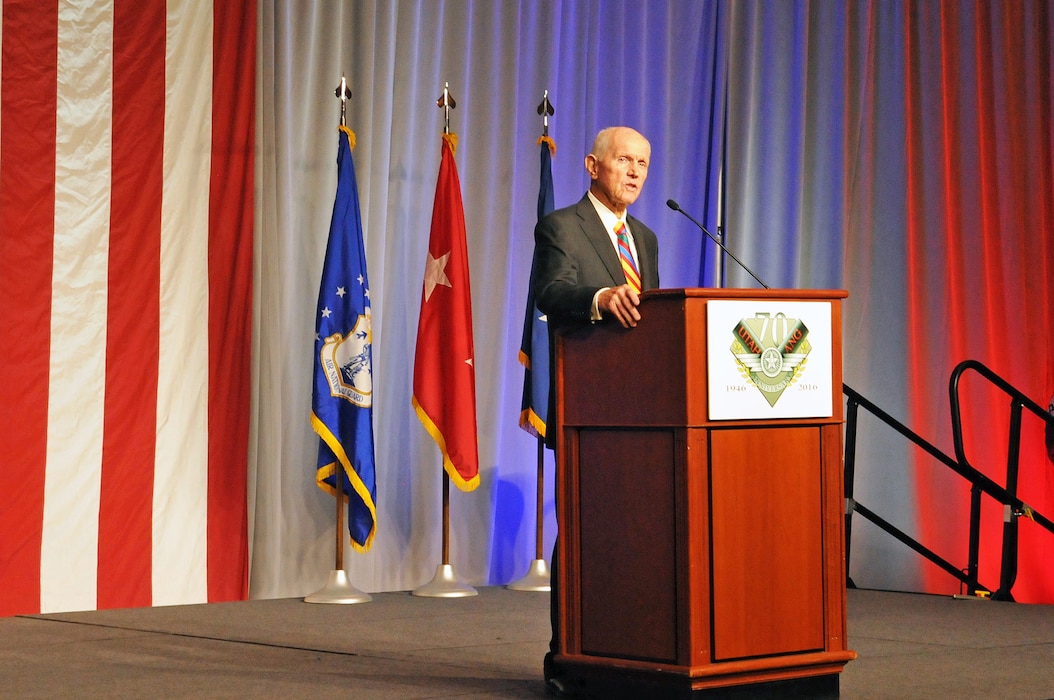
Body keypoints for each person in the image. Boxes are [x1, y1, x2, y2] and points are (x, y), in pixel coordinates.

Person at [529, 126, 660, 698]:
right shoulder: (562, 226)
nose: (634, 172)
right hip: (587, 411)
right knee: (582, 533)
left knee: (632, 535)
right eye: (624, 160)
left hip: (643, 417)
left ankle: (624, 649)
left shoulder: (647, 239)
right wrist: (600, 300)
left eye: (643, 164)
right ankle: (569, 656)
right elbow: (550, 292)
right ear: (592, 165)